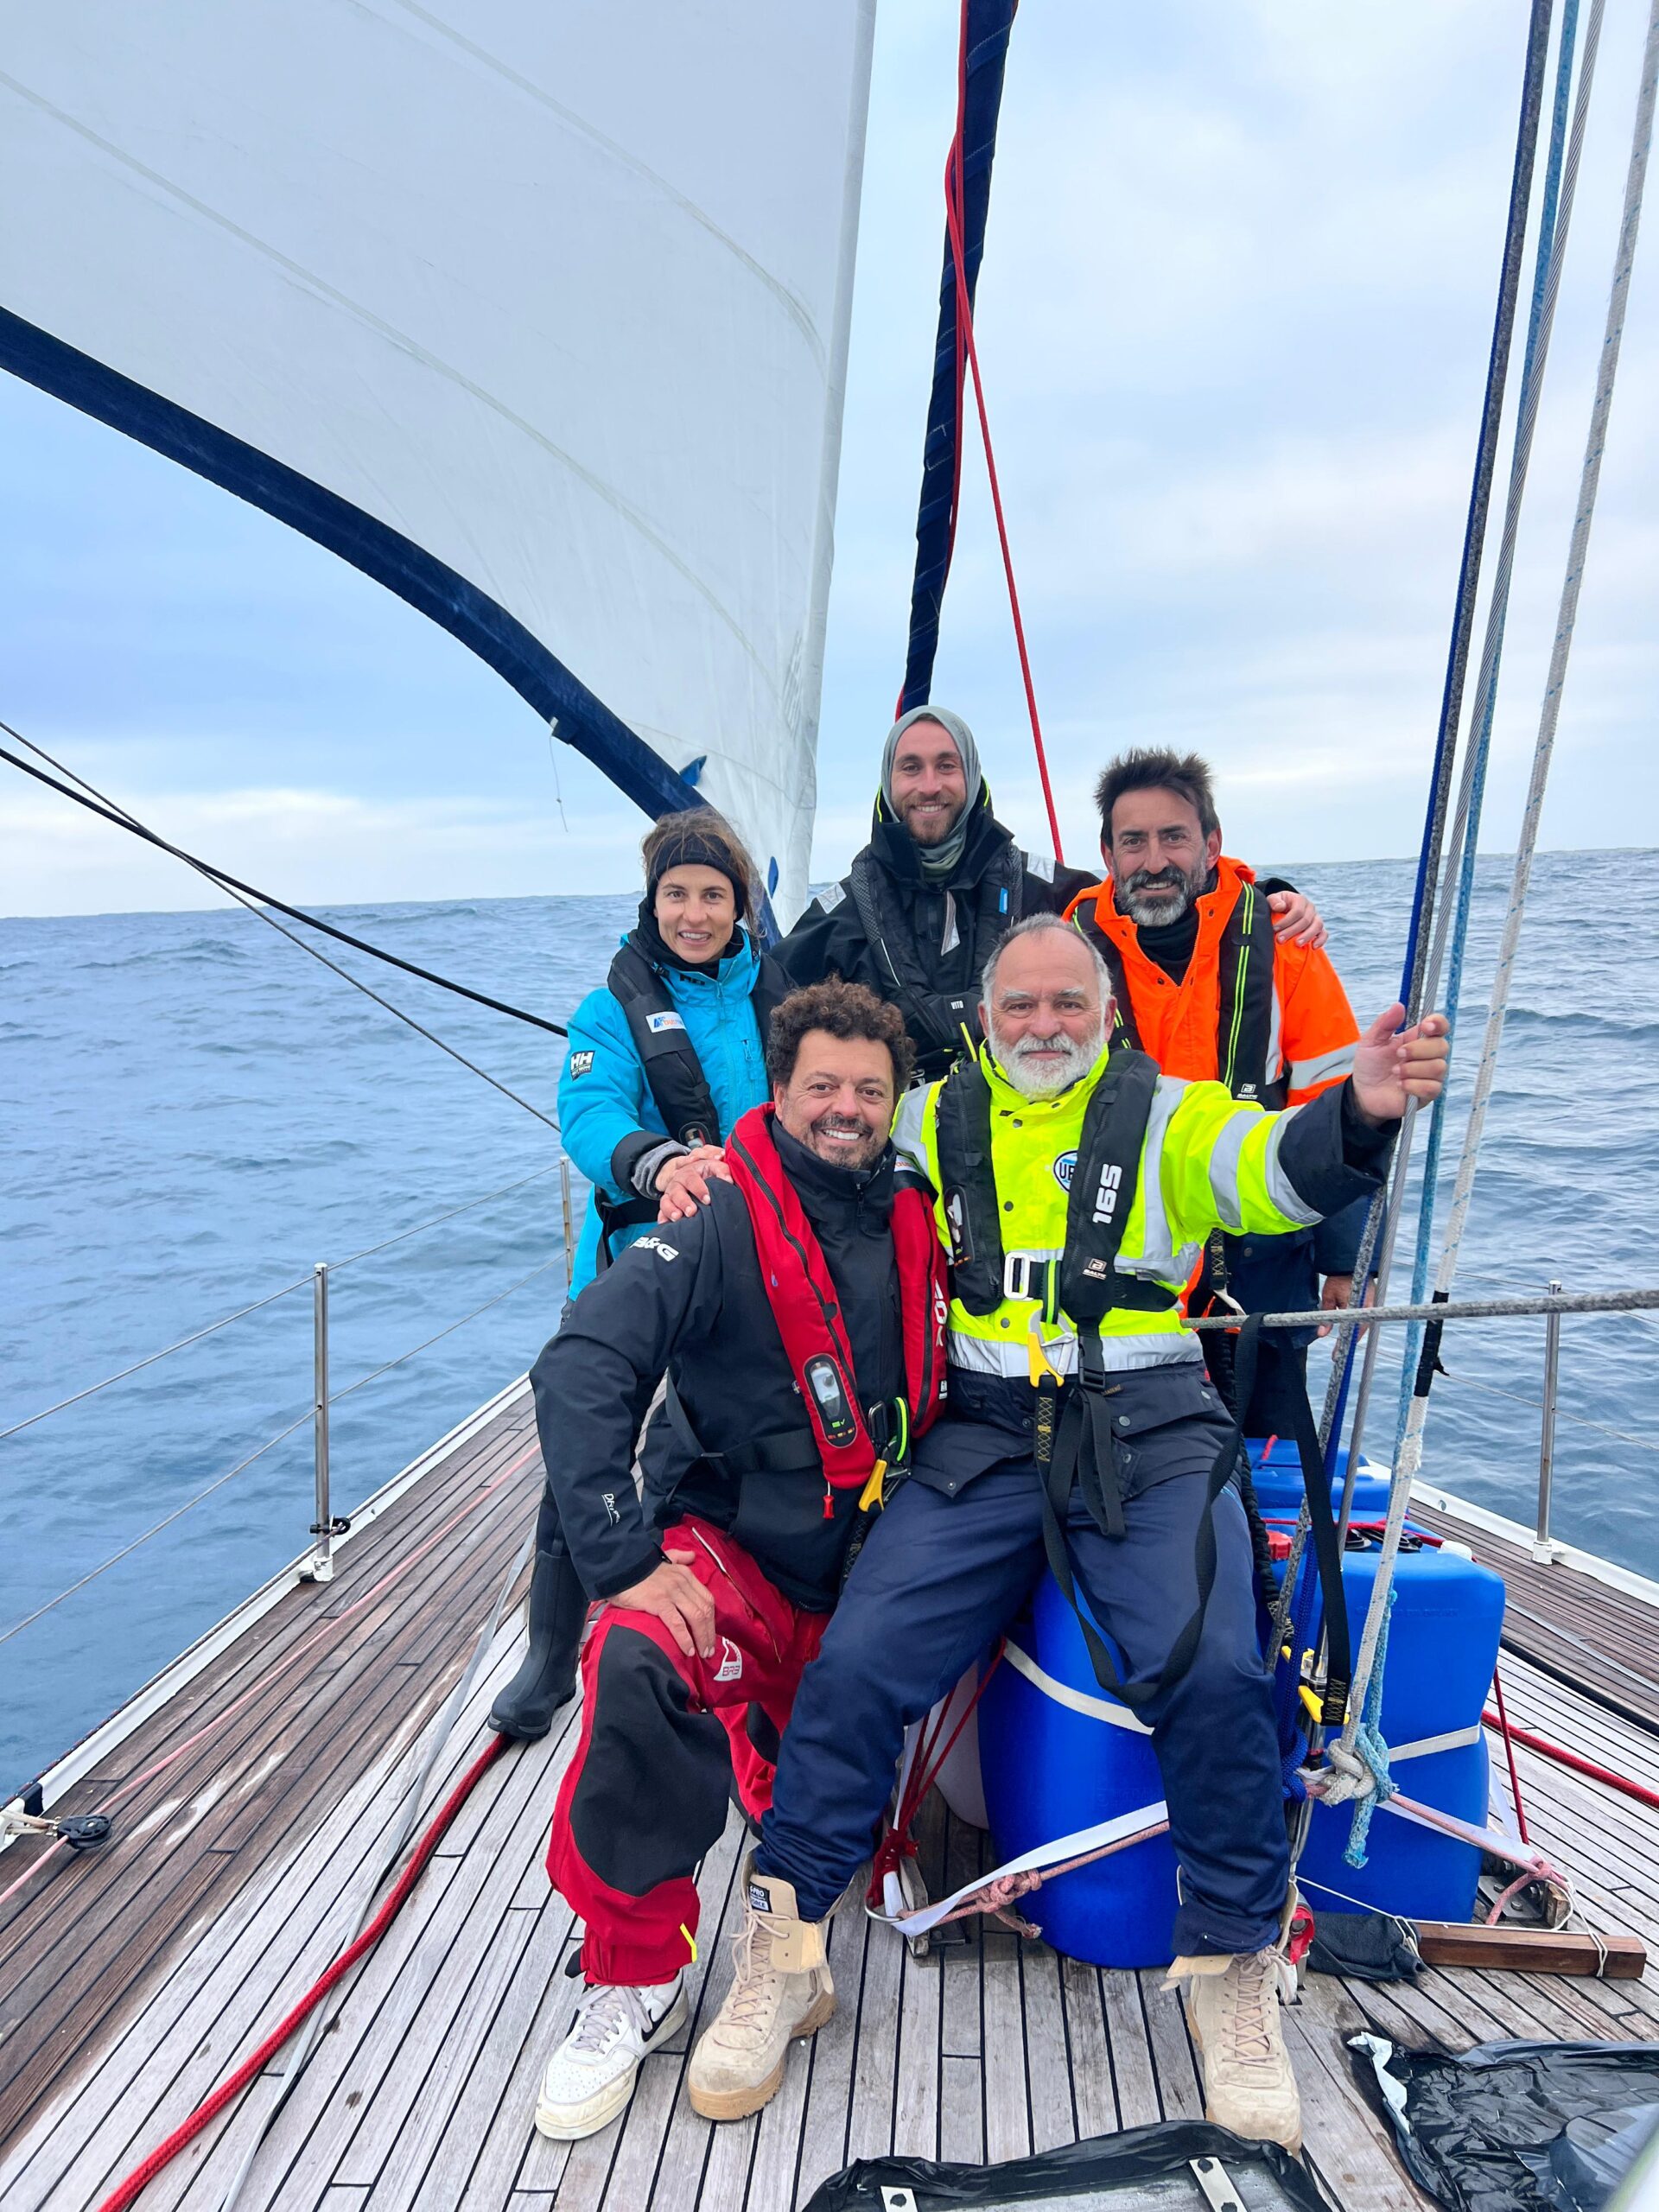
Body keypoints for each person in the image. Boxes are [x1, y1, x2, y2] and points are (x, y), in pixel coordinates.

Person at [685, 914, 1448, 2148]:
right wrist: (694, 1172)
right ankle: (786, 1947)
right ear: (984, 1018)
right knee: (859, 1660)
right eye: (1020, 1006)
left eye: (1068, 1004)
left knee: (1213, 1664)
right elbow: (811, 1157)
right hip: (983, 1430)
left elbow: (1274, 1168)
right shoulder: (924, 1119)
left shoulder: (1174, 1116)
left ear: (1106, 1015)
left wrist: (1357, 1111)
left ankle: (1231, 1963)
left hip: (1150, 1421)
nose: (1044, 1025)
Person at [523, 980, 947, 2142]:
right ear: (781, 1090)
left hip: (868, 1565)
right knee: (640, 1655)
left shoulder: (922, 1209)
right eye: (823, 1086)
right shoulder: (712, 1213)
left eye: (869, 1090)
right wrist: (621, 1562)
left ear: (897, 1102)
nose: (846, 1108)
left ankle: (794, 1823)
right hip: (738, 1550)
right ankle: (631, 1973)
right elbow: (582, 1366)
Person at [488, 808, 783, 1743]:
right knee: (585, 1446)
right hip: (637, 1261)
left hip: (755, 1264)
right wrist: (658, 1163)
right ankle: (549, 1650)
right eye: (676, 894)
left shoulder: (780, 993)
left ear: (741, 905)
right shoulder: (607, 1009)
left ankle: (746, 1627)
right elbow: (588, 1113)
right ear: (652, 902)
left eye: (713, 894)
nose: (694, 913)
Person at [778, 707, 1325, 1090]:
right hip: (890, 1161)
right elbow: (765, 1001)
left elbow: (1145, 896)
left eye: (947, 765)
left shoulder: (1047, 891)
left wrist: (1265, 898)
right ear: (887, 781)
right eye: (910, 768)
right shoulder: (838, 919)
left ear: (972, 776)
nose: (929, 785)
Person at [1065, 747, 1366, 1434]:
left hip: (1261, 1272)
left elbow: (1338, 1108)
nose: (1154, 860)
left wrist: (1347, 1258)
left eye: (1174, 836)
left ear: (1211, 843)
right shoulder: (1068, 957)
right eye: (1133, 841)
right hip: (1117, 1277)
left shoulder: (1287, 946)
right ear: (1107, 854)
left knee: (1268, 1460)